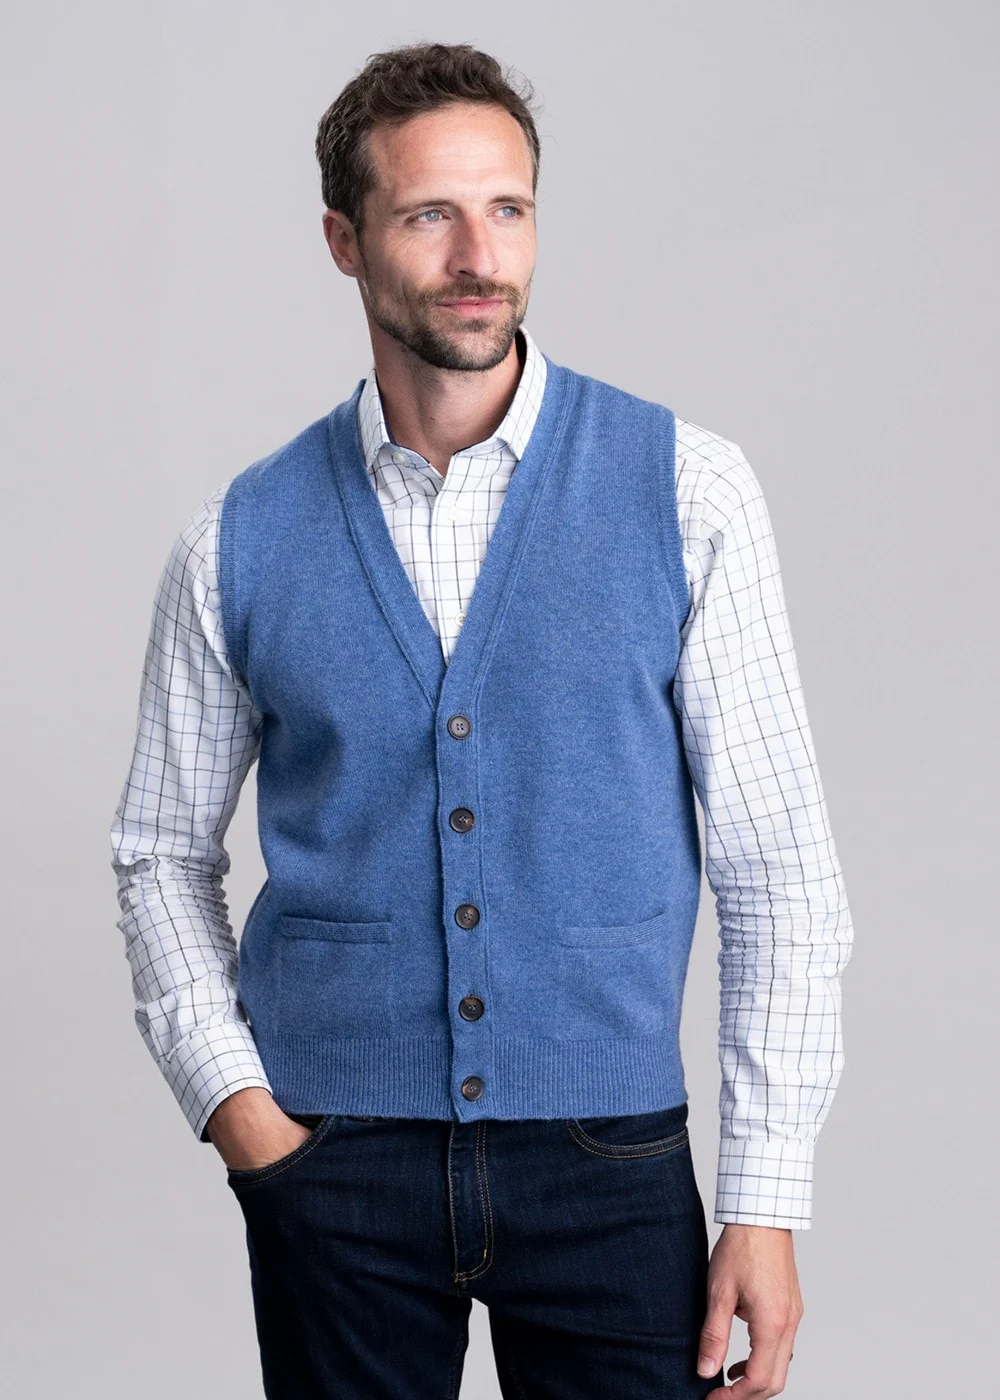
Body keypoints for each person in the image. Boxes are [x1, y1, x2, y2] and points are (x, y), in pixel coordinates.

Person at [110, 40, 853, 1400]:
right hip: (334, 1161)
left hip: (610, 1159)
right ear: (344, 241)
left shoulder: (688, 493)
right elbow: (158, 851)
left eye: (508, 208)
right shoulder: (240, 537)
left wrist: (765, 1196)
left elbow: (778, 863)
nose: (479, 255)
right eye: (428, 215)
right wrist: (244, 1117)